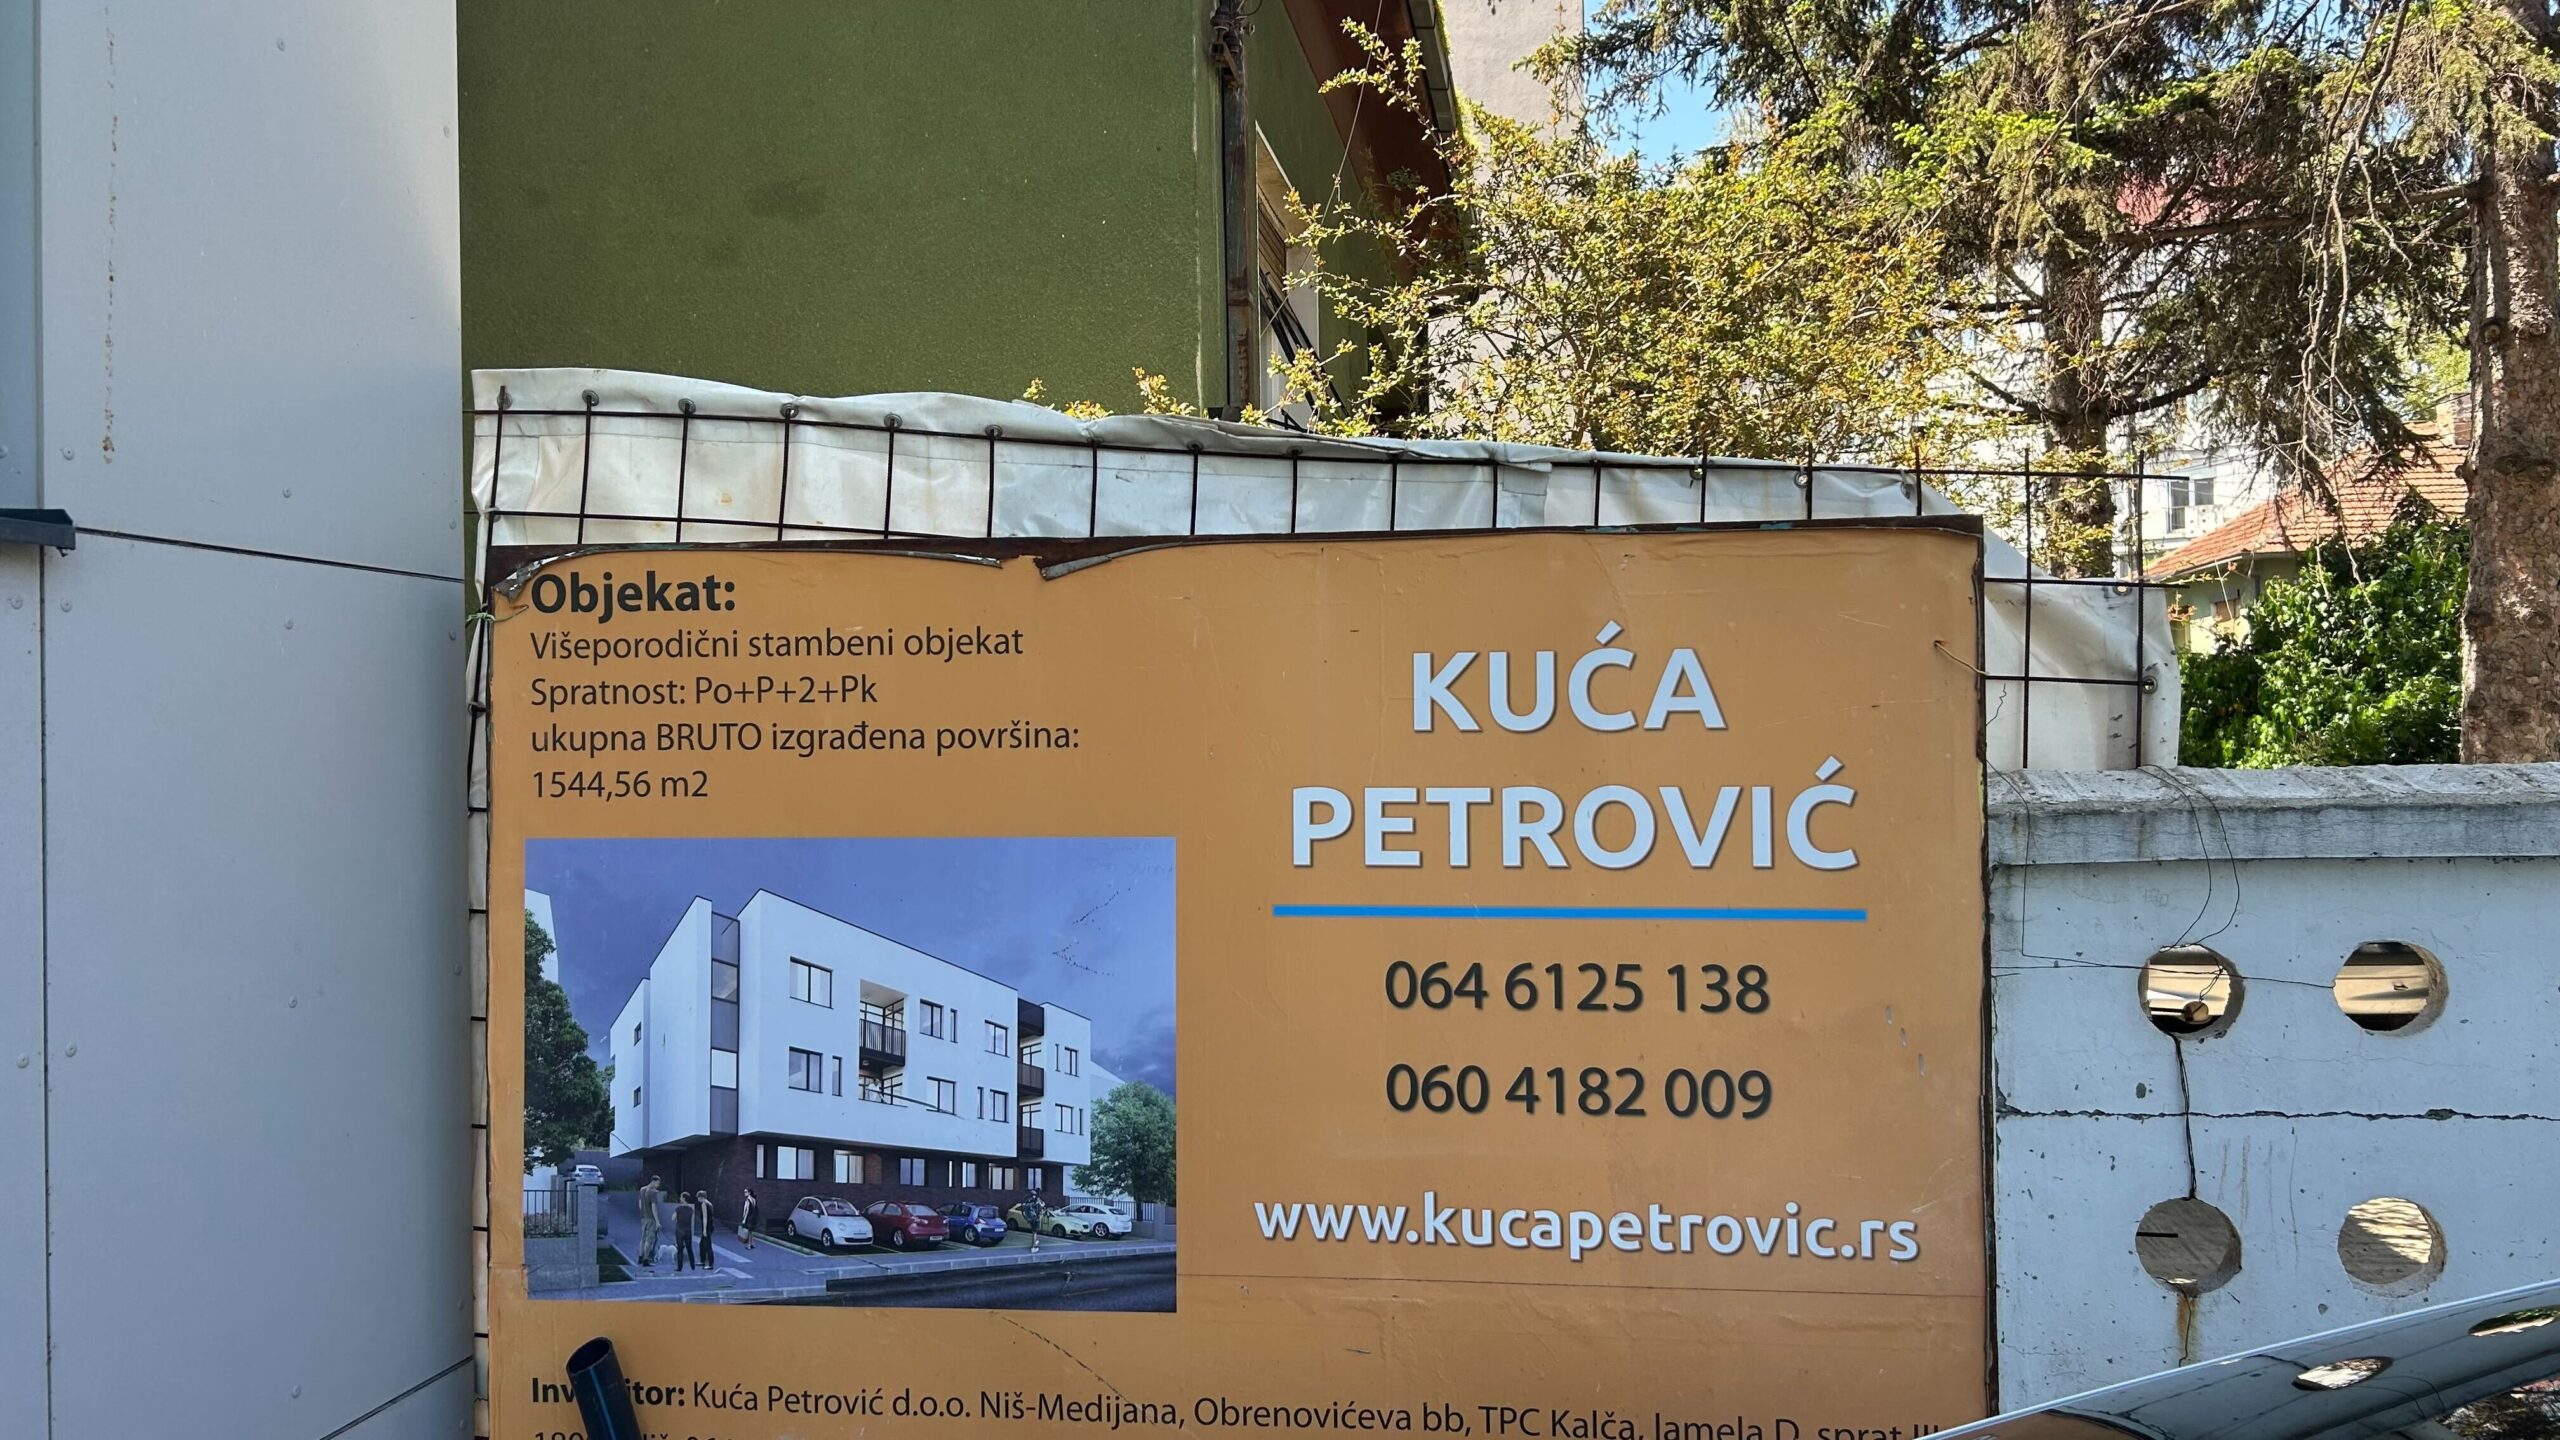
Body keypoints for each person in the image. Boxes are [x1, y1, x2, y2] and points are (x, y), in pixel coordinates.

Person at [636, 1176, 662, 1268]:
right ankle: (646, 1259)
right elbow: (653, 1207)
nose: (658, 1185)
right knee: (649, 1240)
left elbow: (640, 1204)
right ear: (653, 1181)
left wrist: (643, 1212)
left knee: (642, 1238)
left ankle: (640, 1257)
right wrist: (657, 1221)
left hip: (643, 1218)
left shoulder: (642, 1189)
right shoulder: (653, 1192)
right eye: (658, 1183)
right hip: (651, 1218)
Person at [671, 1192, 697, 1273]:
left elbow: (673, 1218)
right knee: (689, 1248)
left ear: (684, 1199)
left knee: (680, 1249)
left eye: (681, 1197)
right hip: (688, 1230)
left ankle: (679, 1267)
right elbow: (692, 1221)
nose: (680, 1198)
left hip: (679, 1230)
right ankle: (692, 1265)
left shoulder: (678, 1209)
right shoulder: (691, 1209)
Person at [694, 1191, 716, 1267]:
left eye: (698, 1197)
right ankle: (702, 1261)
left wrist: (704, 1229)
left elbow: (705, 1218)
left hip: (707, 1227)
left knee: (707, 1245)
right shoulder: (709, 1203)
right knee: (702, 1244)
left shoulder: (704, 1204)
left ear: (700, 1197)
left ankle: (710, 1264)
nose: (697, 1199)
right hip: (711, 1225)